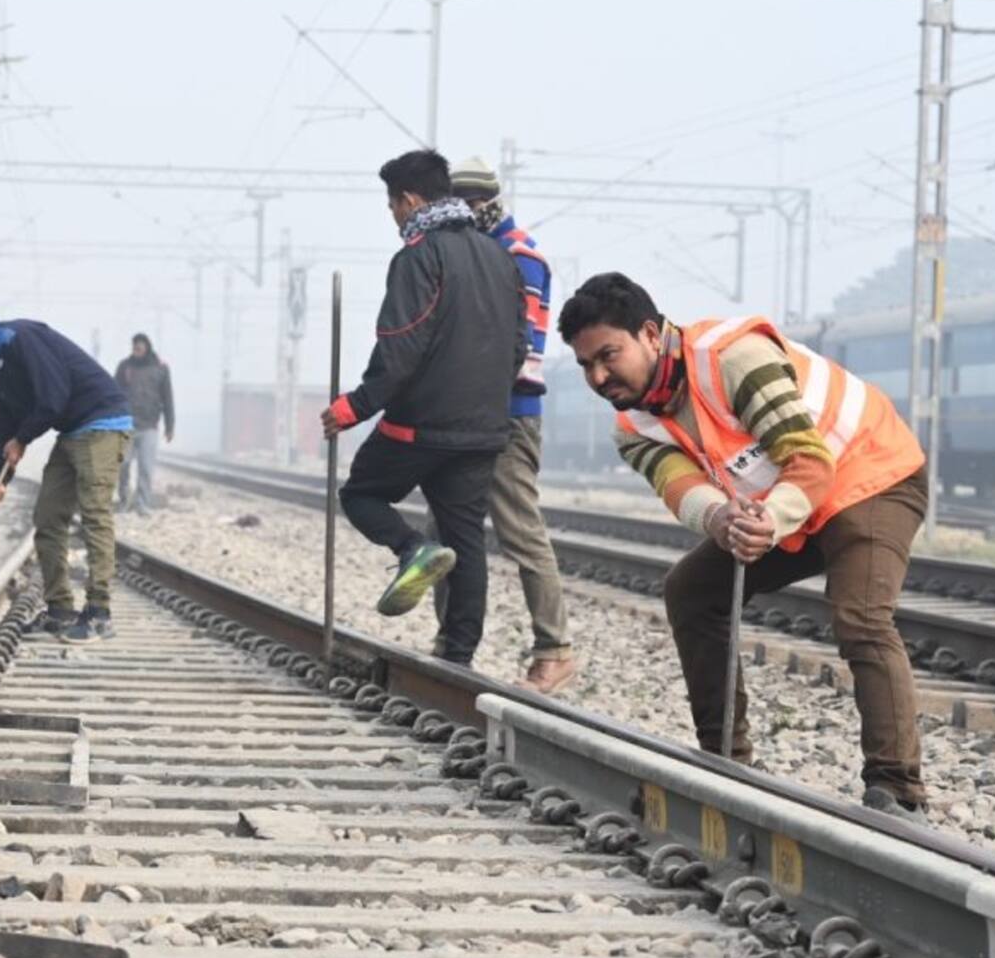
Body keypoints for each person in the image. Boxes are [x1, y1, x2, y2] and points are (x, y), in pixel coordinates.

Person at [558, 272, 929, 817]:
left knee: (862, 617)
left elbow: (808, 460)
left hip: (870, 476)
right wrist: (722, 520)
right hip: (792, 505)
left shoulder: (734, 359)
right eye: (585, 364)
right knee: (692, 591)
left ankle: (898, 790)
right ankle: (726, 763)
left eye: (608, 355)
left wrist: (767, 522)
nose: (598, 376)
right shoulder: (633, 426)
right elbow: (684, 490)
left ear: (651, 335)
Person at [320, 150, 526, 667]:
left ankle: (412, 549)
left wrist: (355, 407)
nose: (393, 216)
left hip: (420, 426)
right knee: (466, 540)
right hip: (483, 429)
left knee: (362, 493)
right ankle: (458, 657)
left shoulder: (418, 256)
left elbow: (402, 344)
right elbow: (518, 346)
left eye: (392, 205)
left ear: (410, 201)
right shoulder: (499, 258)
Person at [0, 295, 131, 644]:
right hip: (72, 430)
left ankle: (99, 614)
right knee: (47, 518)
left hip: (102, 422)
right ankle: (60, 610)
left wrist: (22, 439)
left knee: (94, 515)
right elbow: (5, 429)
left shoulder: (19, 339)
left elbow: (53, 397)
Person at [449, 157, 576, 694]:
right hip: (468, 413)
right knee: (447, 531)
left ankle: (555, 650)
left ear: (482, 203)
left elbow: (519, 346)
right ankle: (451, 645)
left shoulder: (520, 256)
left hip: (508, 413)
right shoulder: (479, 251)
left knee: (520, 531)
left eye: (466, 204)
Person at [113, 332, 175, 514]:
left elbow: (167, 398)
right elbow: (113, 394)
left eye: (140, 347)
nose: (137, 350)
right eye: (134, 347)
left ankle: (143, 504)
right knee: (123, 465)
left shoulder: (160, 368)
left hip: (149, 426)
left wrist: (170, 426)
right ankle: (124, 500)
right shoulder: (124, 367)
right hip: (126, 425)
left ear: (147, 347)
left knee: (146, 468)